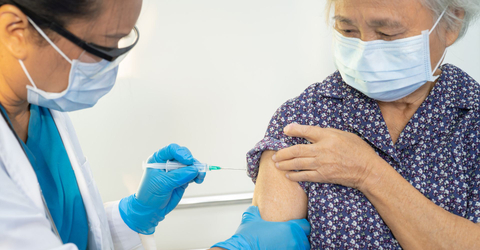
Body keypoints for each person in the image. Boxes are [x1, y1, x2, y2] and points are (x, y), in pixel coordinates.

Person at [0, 0, 311, 249]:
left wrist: (133, 214)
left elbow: (66, 230)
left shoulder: (40, 106)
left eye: (122, 42)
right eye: (104, 45)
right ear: (15, 31)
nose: (112, 66)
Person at [247, 0, 480, 249]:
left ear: (450, 24)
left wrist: (369, 173)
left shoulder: (472, 121)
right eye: (348, 31)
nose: (364, 52)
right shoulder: (305, 117)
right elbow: (269, 237)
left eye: (388, 34)